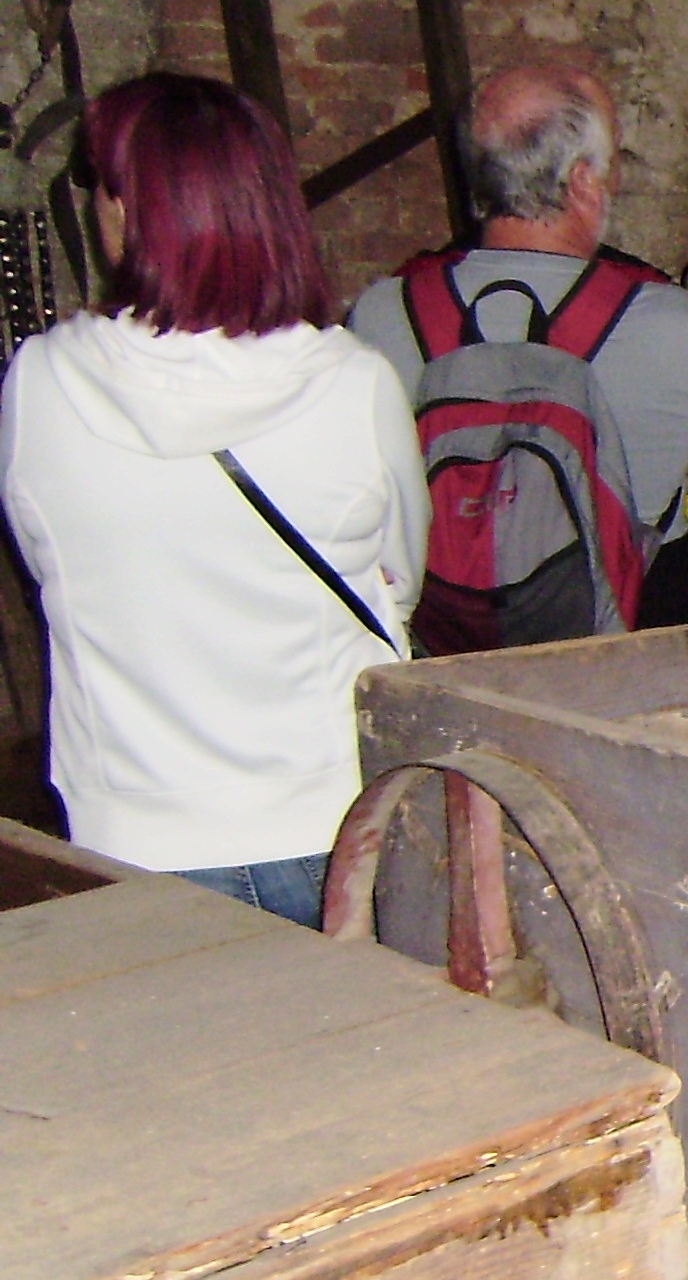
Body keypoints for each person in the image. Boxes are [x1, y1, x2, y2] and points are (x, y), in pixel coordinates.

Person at [0, 73, 427, 922]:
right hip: (332, 819)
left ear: (130, 210)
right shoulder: (355, 384)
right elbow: (399, 583)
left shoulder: (41, 382)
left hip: (133, 833)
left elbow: (51, 564)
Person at [349, 59, 688, 630]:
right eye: (614, 161)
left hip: (449, 636)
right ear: (582, 181)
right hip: (634, 634)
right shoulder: (673, 321)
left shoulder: (382, 312)